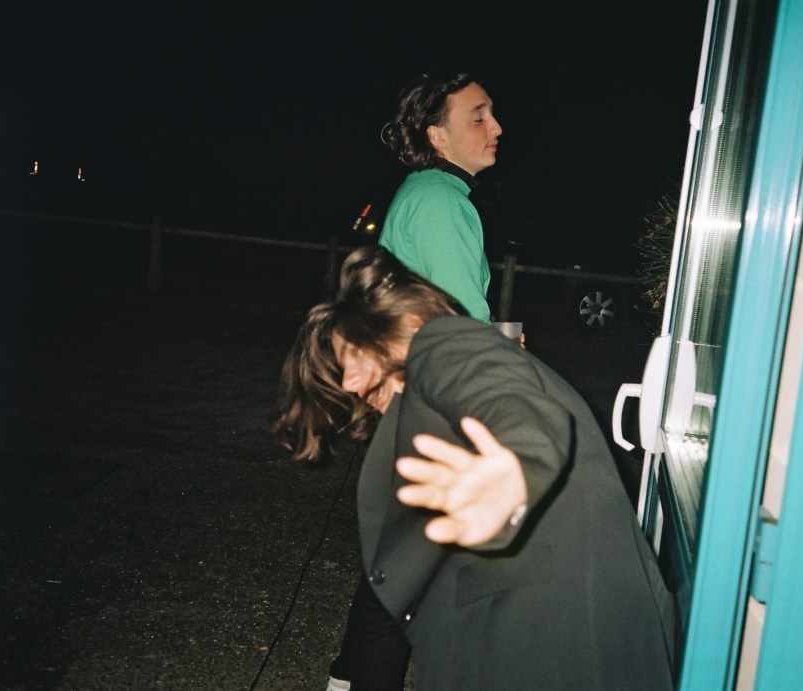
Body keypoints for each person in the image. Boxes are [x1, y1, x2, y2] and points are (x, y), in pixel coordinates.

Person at [274, 246, 677, 690]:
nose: (349, 382)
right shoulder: (426, 399)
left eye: (352, 355)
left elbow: (515, 410)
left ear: (402, 324)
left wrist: (512, 477)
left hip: (561, 640)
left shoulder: (441, 341)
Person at [378, 71, 502, 323]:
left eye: (492, 114)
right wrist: (489, 341)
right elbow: (463, 324)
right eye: (479, 119)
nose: (497, 128)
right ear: (437, 136)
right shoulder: (440, 201)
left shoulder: (422, 187)